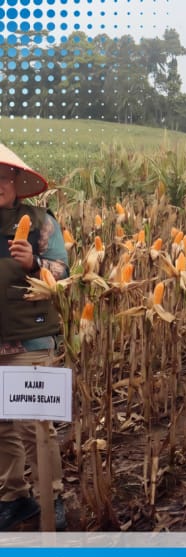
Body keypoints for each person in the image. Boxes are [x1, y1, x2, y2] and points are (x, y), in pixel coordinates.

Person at [0, 143, 68, 531]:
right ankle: (14, 496)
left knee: (34, 423)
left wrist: (34, 263)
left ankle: (52, 495)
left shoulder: (41, 221)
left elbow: (61, 273)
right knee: (2, 425)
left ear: (15, 181)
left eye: (3, 176)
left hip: (30, 340)